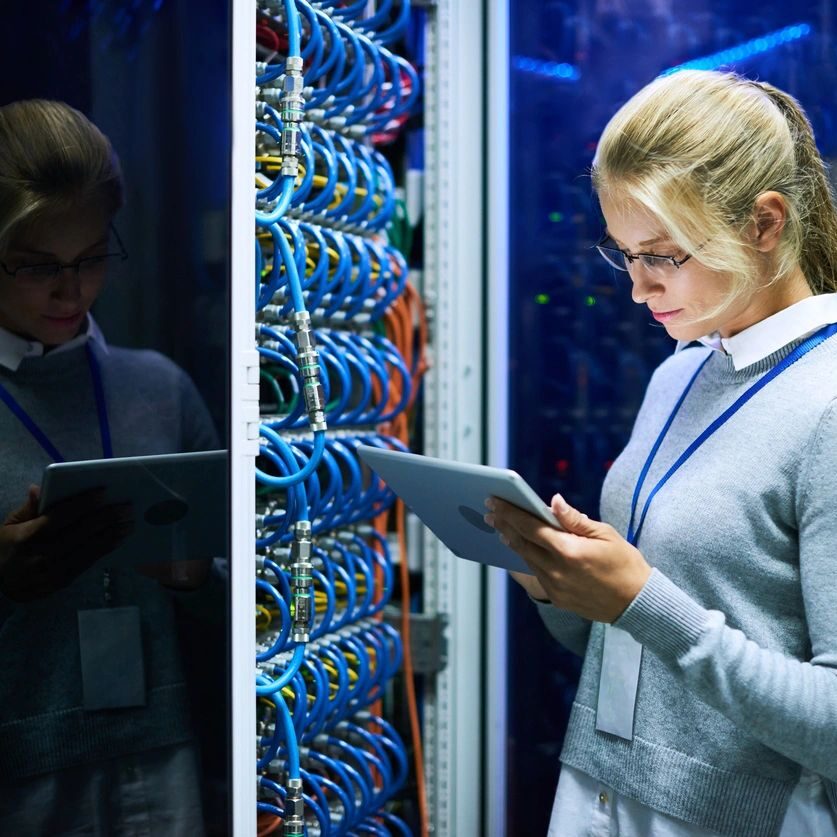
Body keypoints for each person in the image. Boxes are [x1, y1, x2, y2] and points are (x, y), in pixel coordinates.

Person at [487, 70, 837, 836]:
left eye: (662, 255)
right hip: (599, 794)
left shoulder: (828, 401)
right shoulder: (679, 372)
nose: (638, 288)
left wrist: (645, 600)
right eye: (624, 254)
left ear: (764, 223)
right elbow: (617, 636)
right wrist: (556, 581)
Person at [0, 99, 219, 835]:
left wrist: (199, 578)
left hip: (161, 760)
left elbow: (246, 623)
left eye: (92, 257)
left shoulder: (158, 387)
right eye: (38, 267)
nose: (73, 290)